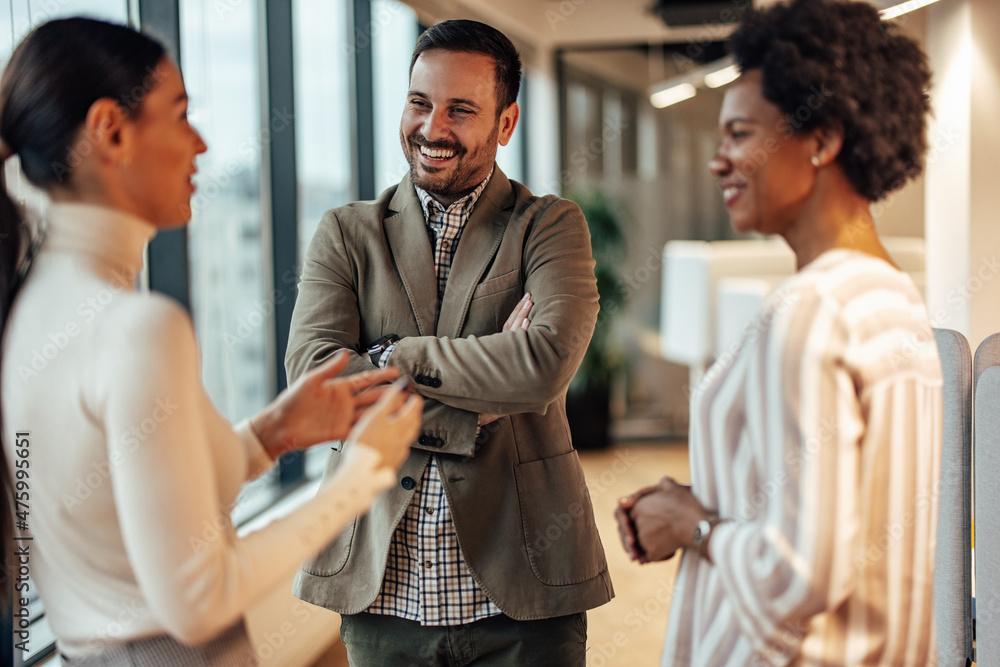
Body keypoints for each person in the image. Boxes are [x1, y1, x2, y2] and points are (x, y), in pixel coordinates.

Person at [0, 17, 423, 667]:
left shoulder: (29, 311)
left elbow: (130, 511)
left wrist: (270, 434)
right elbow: (198, 595)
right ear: (111, 131)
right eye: (180, 115)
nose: (200, 144)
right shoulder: (136, 327)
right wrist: (361, 475)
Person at [615, 0, 942, 663]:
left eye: (738, 134)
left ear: (820, 140)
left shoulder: (810, 309)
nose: (719, 161)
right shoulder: (897, 300)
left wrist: (691, 522)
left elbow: (799, 575)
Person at [286, 18, 612, 666]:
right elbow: (313, 380)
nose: (432, 129)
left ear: (506, 122)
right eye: (419, 102)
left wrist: (390, 356)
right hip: (386, 589)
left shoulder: (549, 225)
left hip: (524, 593)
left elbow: (543, 364)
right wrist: (483, 397)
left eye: (460, 110)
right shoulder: (347, 233)